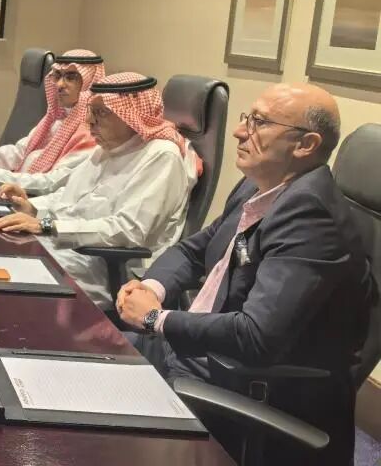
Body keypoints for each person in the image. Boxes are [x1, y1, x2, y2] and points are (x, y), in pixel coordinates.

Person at [117, 83, 375, 466]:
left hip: (250, 383)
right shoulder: (258, 185)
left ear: (305, 145)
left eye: (259, 123)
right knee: (88, 365)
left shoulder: (311, 219)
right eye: (247, 118)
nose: (240, 132)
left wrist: (156, 319)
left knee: (96, 429)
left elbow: (255, 336)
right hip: (201, 352)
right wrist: (151, 288)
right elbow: (195, 249)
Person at [0, 72, 200, 308]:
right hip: (66, 250)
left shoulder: (161, 156)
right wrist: (32, 208)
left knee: (2, 282)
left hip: (104, 270)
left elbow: (128, 230)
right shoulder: (108, 148)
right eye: (91, 111)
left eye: (101, 112)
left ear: (130, 115)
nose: (89, 121)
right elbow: (70, 199)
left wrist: (47, 226)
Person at [0, 49, 104, 191]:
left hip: (35, 204)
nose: (59, 85)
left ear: (89, 82)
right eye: (58, 76)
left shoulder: (92, 132)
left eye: (71, 78)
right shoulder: (56, 117)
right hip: (15, 192)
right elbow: (18, 153)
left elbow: (51, 183)